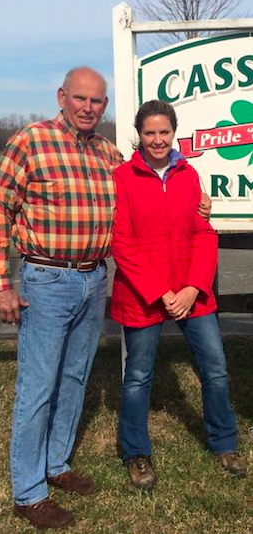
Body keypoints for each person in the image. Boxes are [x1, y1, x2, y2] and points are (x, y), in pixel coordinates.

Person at [0, 68, 211, 529]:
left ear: (105, 106)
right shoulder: (31, 141)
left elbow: (150, 186)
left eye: (97, 101)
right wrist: (1, 282)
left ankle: (57, 464)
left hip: (92, 280)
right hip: (46, 278)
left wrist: (198, 204)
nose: (88, 107)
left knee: (74, 377)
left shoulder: (109, 154)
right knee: (38, 386)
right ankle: (28, 491)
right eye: (80, 98)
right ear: (62, 96)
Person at [110, 99, 246, 492]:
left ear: (174, 133)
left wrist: (192, 287)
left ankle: (224, 442)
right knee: (137, 377)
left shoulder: (189, 175)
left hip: (192, 291)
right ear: (140, 134)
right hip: (144, 295)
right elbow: (123, 243)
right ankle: (136, 452)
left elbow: (204, 232)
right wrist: (161, 292)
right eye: (149, 132)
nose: (157, 139)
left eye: (164, 132)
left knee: (216, 369)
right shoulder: (124, 177)